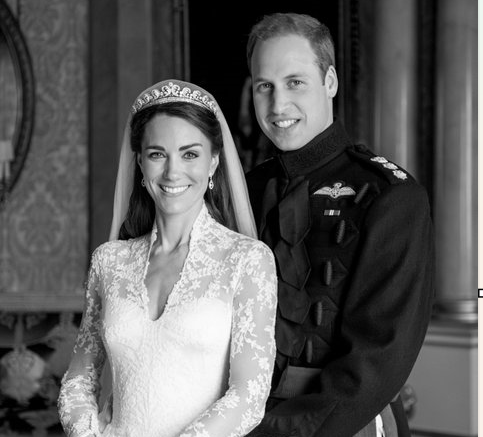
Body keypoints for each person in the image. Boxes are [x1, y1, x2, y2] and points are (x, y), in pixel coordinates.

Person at [244, 13, 434, 437]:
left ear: (329, 81)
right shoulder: (244, 191)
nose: (277, 106)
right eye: (264, 86)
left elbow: (377, 359)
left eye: (295, 82)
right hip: (240, 416)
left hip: (344, 424)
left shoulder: (392, 196)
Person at [57, 79, 278, 437]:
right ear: (140, 165)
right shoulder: (109, 263)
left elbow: (248, 395)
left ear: (213, 163)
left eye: (190, 154)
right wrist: (88, 432)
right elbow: (79, 378)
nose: (173, 172)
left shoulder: (247, 261)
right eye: (157, 154)